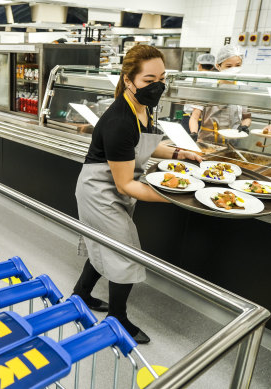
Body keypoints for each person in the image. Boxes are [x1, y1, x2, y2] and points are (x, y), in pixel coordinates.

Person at [73, 45, 202, 344]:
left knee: (104, 244)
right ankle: (117, 319)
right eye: (148, 79)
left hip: (113, 186)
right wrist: (180, 196)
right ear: (128, 79)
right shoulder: (119, 119)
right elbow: (126, 185)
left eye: (162, 77)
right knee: (125, 252)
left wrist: (180, 153)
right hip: (100, 191)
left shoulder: (140, 107)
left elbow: (143, 143)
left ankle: (80, 294)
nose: (157, 85)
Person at [198, 44, 252, 143]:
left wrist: (244, 126)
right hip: (207, 141)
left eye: (238, 65)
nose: (234, 69)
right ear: (218, 66)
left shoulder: (243, 88)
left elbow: (247, 117)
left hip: (231, 142)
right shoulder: (209, 87)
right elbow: (196, 115)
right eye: (228, 66)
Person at [181, 53, 216, 139]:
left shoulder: (190, 78)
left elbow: (182, 99)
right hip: (208, 121)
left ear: (199, 65)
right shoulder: (216, 81)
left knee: (186, 144)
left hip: (189, 118)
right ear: (212, 67)